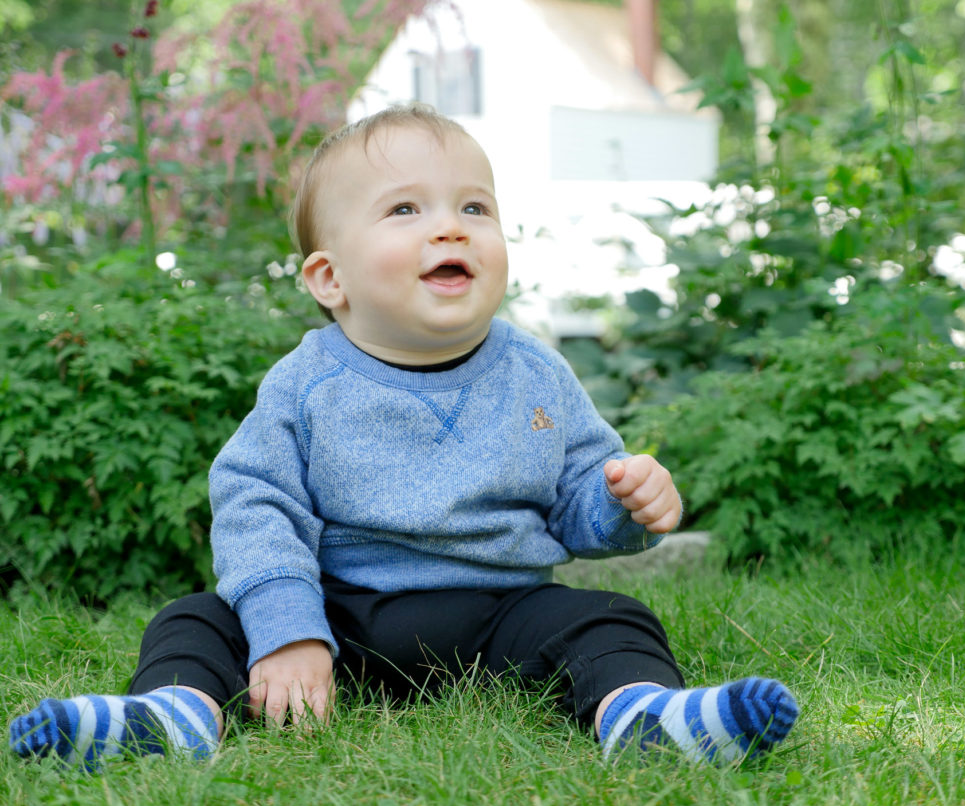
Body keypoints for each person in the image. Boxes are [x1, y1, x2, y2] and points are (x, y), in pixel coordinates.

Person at [9, 103, 799, 771]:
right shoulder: (306, 384)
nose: (450, 229)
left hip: (500, 613)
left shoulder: (537, 373)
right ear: (331, 279)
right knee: (196, 618)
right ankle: (172, 714)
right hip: (339, 616)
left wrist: (624, 500)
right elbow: (256, 503)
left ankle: (642, 715)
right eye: (405, 210)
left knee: (610, 617)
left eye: (474, 208)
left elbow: (580, 500)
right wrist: (288, 631)